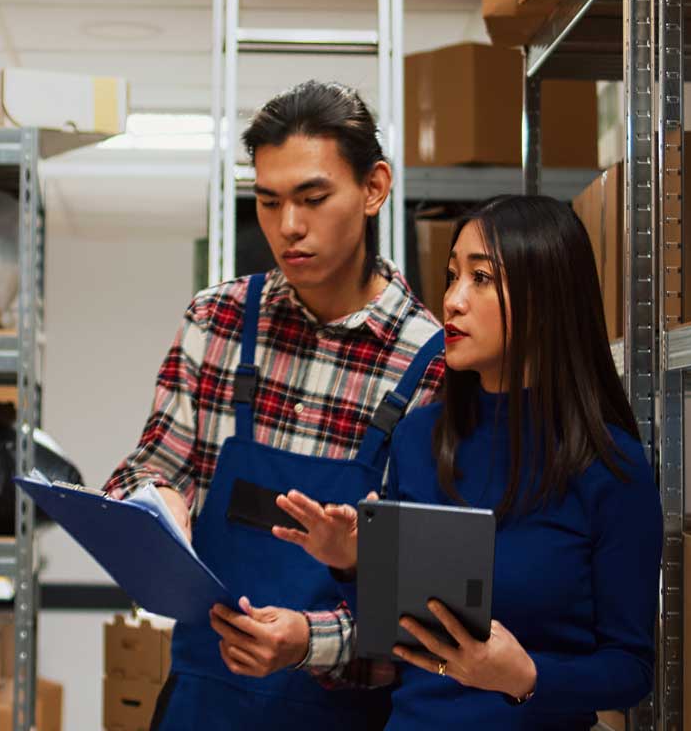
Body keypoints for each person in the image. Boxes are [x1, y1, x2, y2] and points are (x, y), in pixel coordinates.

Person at [103, 81, 446, 730]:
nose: (288, 226)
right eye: (268, 201)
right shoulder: (218, 320)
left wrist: (309, 642)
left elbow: (428, 607)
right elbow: (148, 468)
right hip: (202, 702)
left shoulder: (434, 366)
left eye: (313, 199)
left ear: (374, 188)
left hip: (341, 716)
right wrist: (155, 501)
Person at [273, 195, 663, 730]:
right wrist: (351, 563)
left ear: (546, 297)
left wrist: (526, 677)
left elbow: (630, 669)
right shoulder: (417, 440)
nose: (452, 301)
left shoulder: (610, 467)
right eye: (452, 275)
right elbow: (395, 641)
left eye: (481, 279)